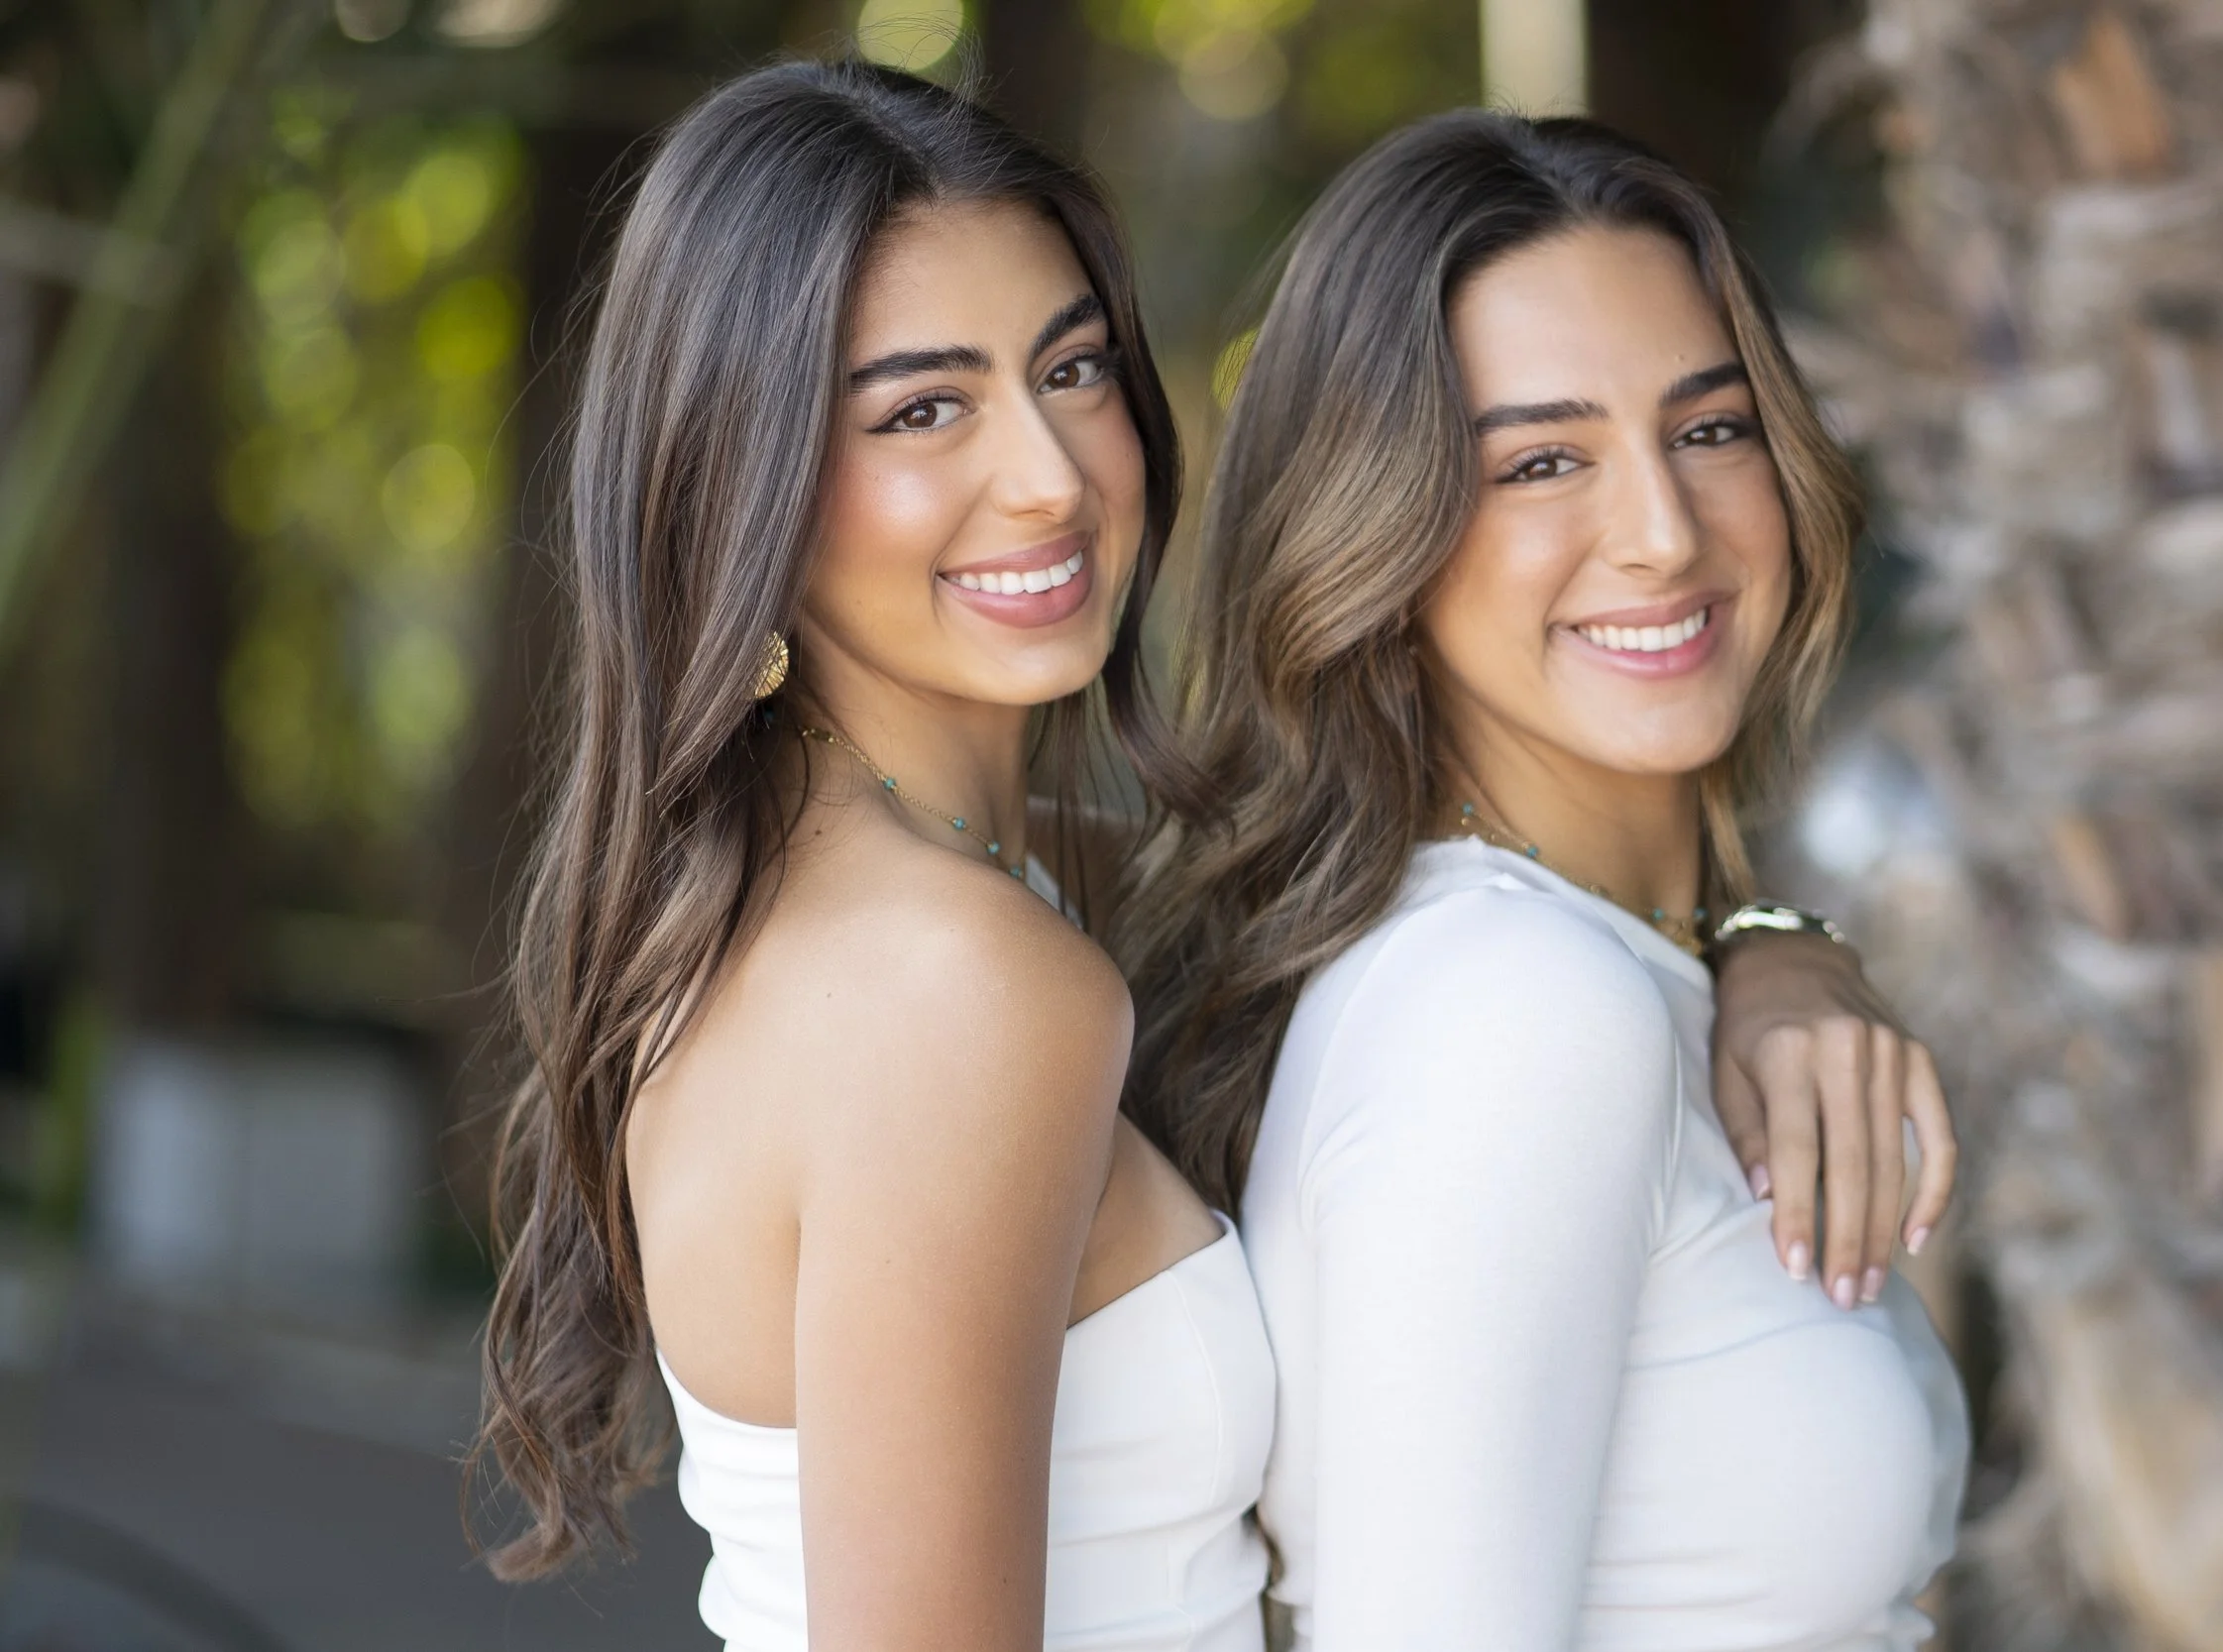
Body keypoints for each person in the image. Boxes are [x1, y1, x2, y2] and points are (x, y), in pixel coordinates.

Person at [473, 60, 1953, 1652]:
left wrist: (1775, 945)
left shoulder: (967, 888)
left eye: (1074, 369)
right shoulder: (951, 987)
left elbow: (1347, 872)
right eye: (921, 407)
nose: (1049, 473)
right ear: (734, 475)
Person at [1118, 111, 1968, 1650]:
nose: (1661, 531)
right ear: (1378, 527)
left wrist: (1772, 940)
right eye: (1543, 460)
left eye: (1710, 429)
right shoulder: (1516, 1012)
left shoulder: (1603, 967)